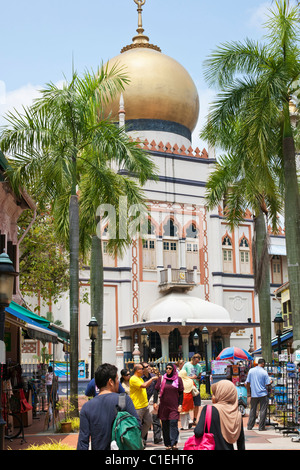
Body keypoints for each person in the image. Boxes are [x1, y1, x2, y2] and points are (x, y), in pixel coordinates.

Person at [77, 363, 140, 450]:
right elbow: (137, 425)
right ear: (111, 382)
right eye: (117, 379)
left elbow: (83, 442)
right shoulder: (123, 400)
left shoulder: (87, 407)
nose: (118, 382)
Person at [194, 380, 245, 450]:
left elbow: (198, 432)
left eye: (215, 393)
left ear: (220, 393)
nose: (213, 395)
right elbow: (241, 444)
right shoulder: (237, 414)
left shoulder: (209, 409)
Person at [153, 363, 184, 450]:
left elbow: (181, 393)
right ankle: (167, 444)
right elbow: (156, 390)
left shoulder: (178, 379)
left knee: (173, 423)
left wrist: (180, 405)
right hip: (164, 406)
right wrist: (155, 402)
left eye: (170, 368)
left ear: (173, 369)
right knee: (165, 425)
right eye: (167, 368)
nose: (168, 370)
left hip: (174, 406)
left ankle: (174, 443)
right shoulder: (162, 379)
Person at [129, 363, 158, 447]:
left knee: (149, 422)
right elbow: (144, 386)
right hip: (137, 406)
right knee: (137, 425)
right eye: (142, 368)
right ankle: (136, 441)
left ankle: (139, 438)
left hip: (145, 405)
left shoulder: (140, 378)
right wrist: (152, 378)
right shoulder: (133, 379)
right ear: (137, 370)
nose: (144, 369)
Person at [245, 358, 272, 431]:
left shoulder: (251, 371)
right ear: (263, 363)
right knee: (263, 410)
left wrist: (248, 393)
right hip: (263, 394)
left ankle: (250, 426)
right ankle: (261, 427)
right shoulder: (264, 372)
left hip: (254, 394)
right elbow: (267, 383)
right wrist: (271, 381)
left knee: (253, 410)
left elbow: (247, 383)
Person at [142, 362, 162, 444]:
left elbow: (158, 389)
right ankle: (144, 439)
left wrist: (156, 400)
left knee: (155, 419)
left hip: (153, 399)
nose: (148, 367)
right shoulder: (140, 378)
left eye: (148, 366)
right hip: (144, 401)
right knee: (145, 421)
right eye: (146, 366)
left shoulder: (154, 377)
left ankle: (157, 437)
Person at [182, 354, 202, 424]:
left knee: (197, 404)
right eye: (196, 361)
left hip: (196, 387)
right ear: (193, 359)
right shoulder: (186, 365)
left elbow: (199, 376)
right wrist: (192, 378)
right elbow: (183, 376)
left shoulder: (199, 366)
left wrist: (198, 378)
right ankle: (188, 419)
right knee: (187, 403)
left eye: (198, 361)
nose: (197, 363)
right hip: (187, 387)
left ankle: (195, 419)